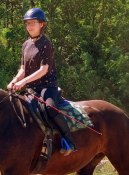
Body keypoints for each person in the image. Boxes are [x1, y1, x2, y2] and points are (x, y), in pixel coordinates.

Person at [7, 8, 77, 156]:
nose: (29, 26)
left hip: (47, 86)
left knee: (49, 107)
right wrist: (14, 81)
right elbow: (23, 68)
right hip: (32, 89)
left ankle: (69, 141)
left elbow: (43, 69)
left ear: (42, 24)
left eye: (33, 23)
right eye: (27, 23)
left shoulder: (46, 43)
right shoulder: (25, 45)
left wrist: (23, 82)